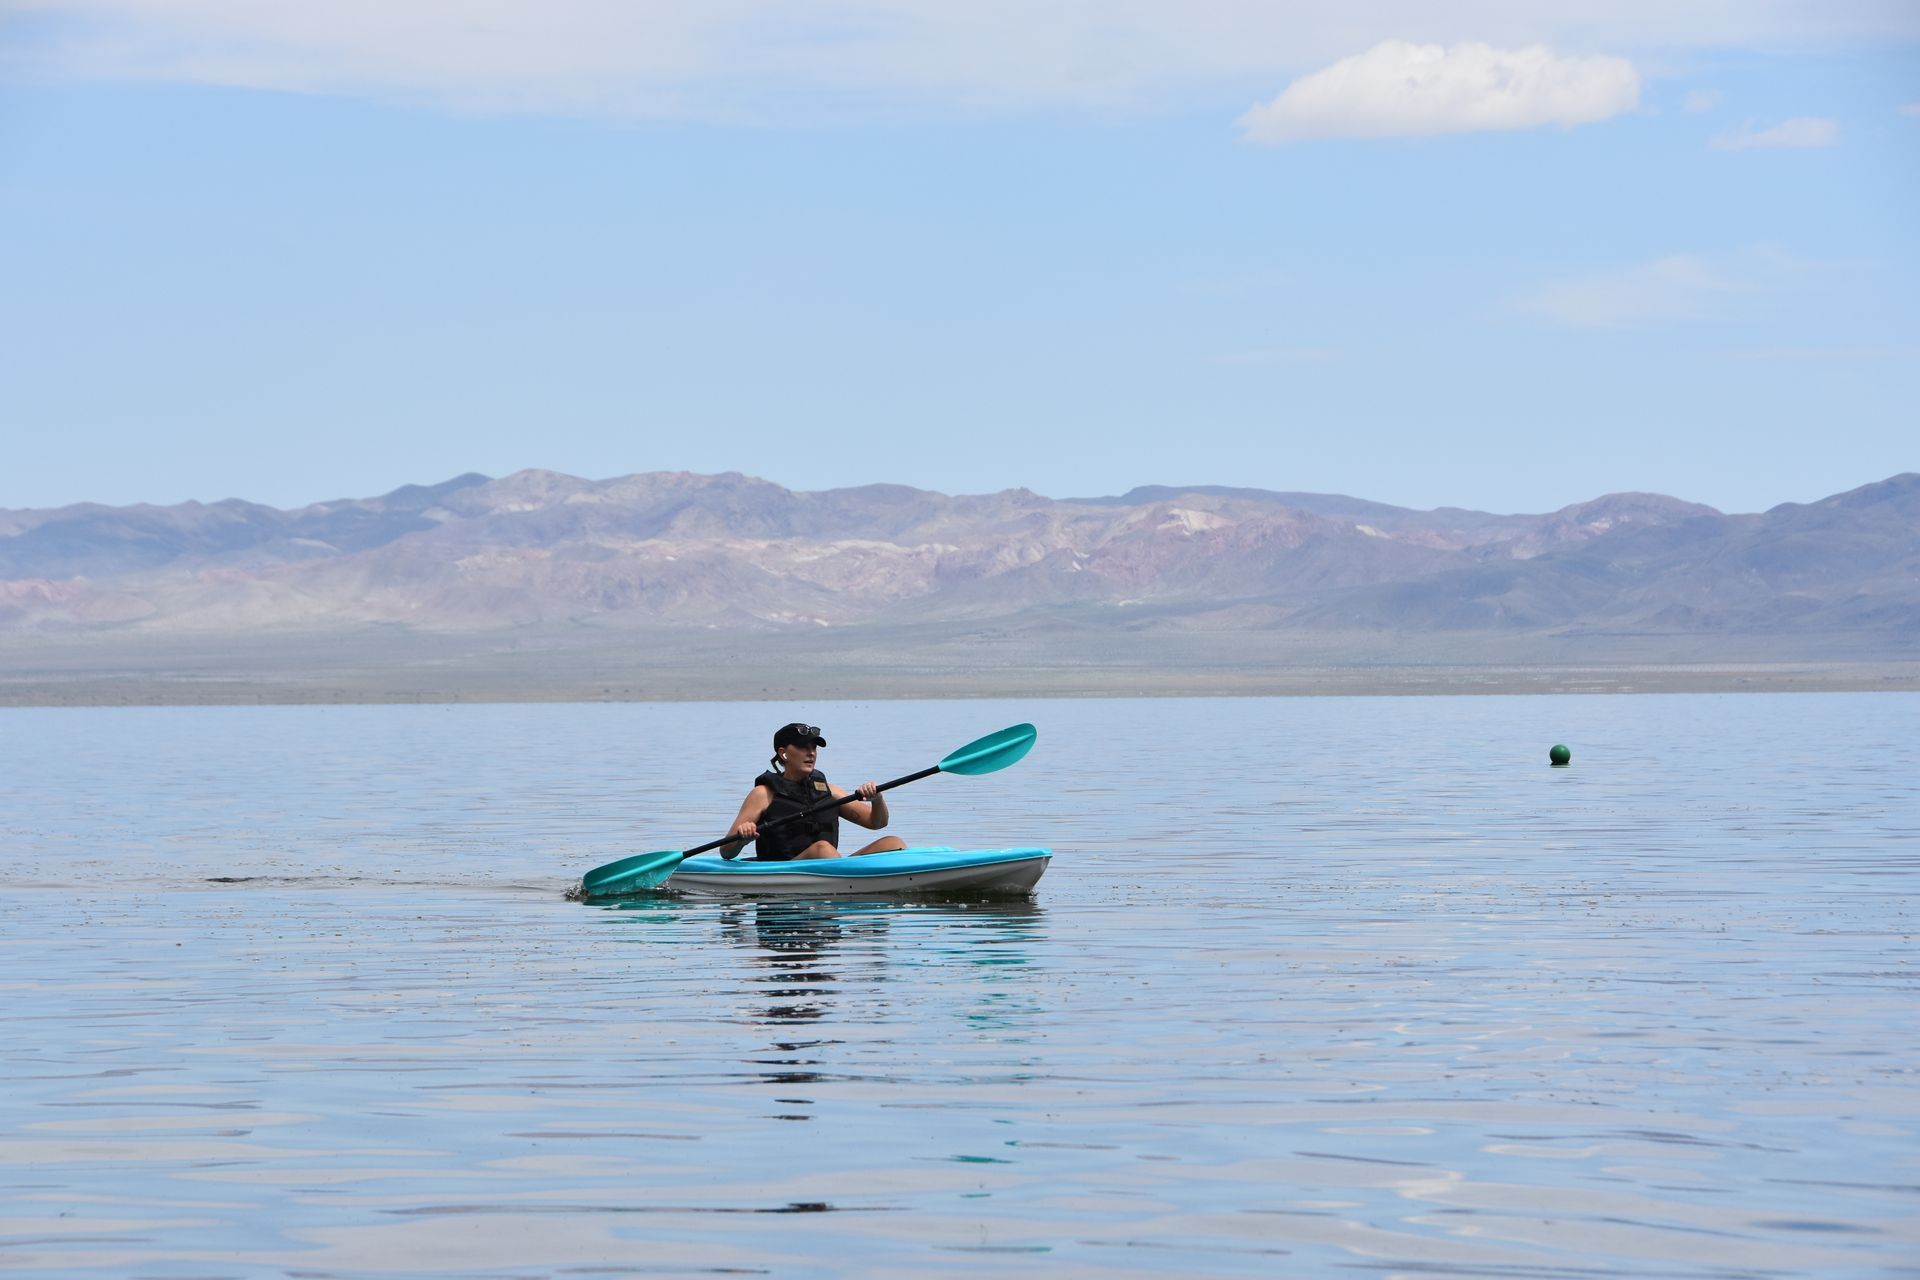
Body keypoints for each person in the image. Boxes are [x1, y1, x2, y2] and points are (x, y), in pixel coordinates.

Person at [722, 723, 908, 861]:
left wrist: (877, 799)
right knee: (822, 848)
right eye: (803, 747)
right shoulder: (763, 794)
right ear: (783, 753)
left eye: (813, 748)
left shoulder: (831, 791)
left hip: (831, 867)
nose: (811, 753)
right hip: (784, 872)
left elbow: (878, 823)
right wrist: (741, 839)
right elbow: (726, 852)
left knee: (893, 843)